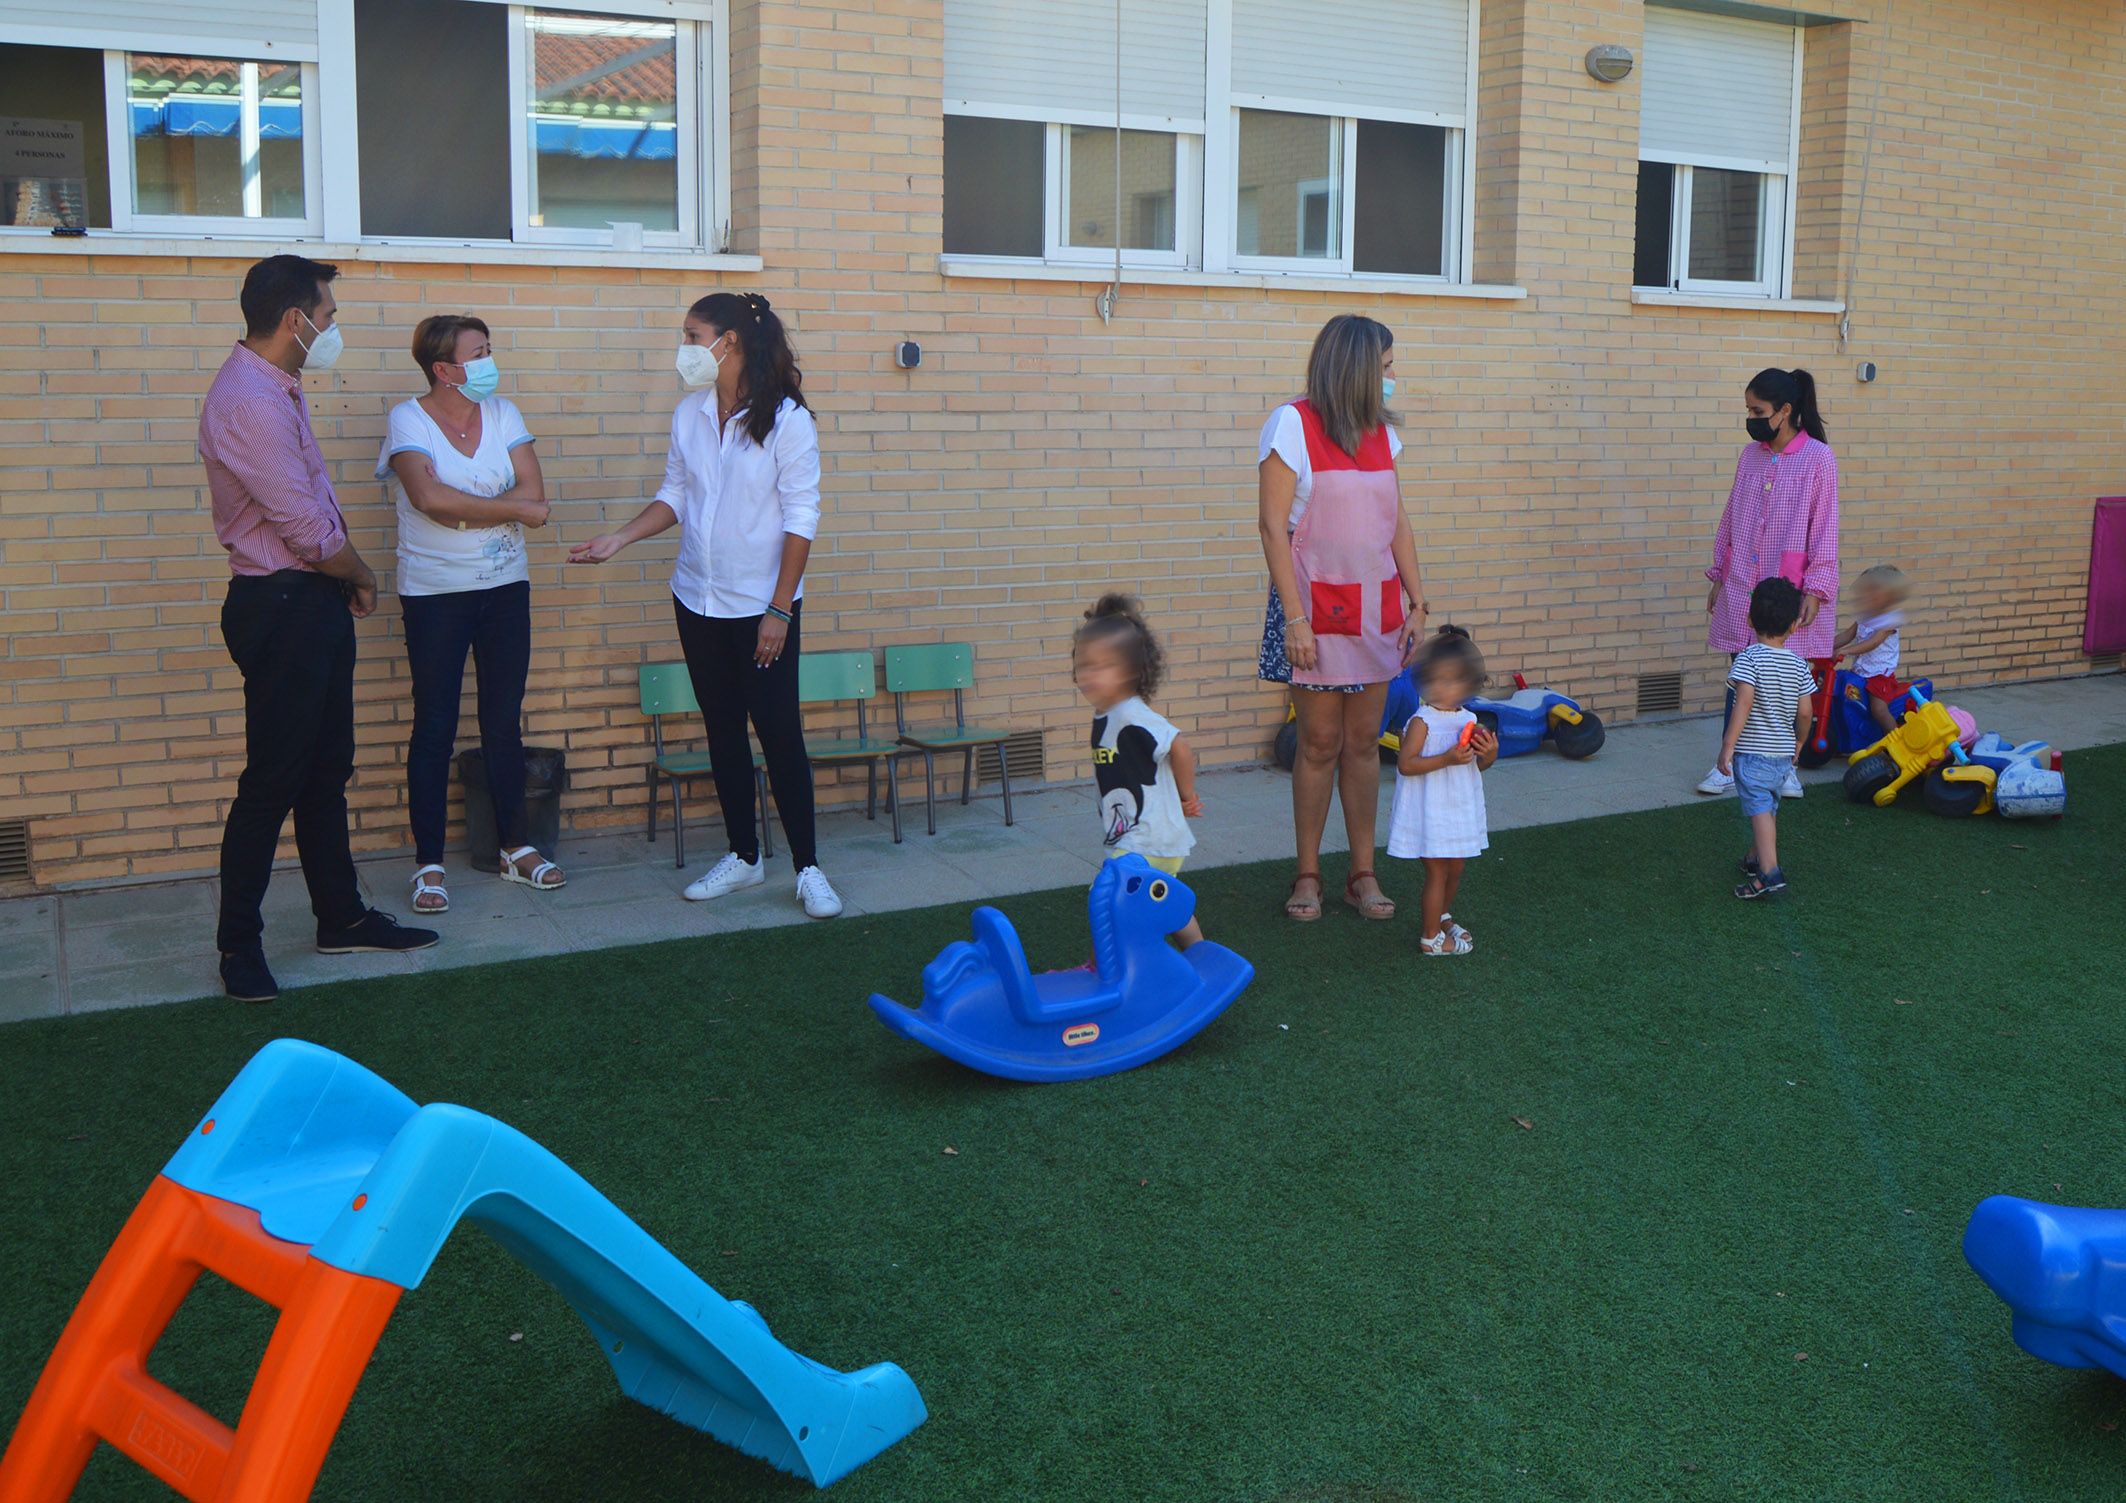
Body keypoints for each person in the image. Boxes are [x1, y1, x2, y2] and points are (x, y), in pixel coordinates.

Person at [200, 254, 438, 1002]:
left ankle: (340, 916)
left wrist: (340, 583)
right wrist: (361, 574)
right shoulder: (249, 400)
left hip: (310, 602)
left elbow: (310, 506)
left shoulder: (277, 386)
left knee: (324, 768)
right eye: (327, 316)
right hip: (282, 604)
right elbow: (302, 523)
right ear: (294, 319)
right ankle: (239, 946)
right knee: (273, 778)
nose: (332, 328)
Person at [569, 291, 843, 919]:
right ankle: (744, 857)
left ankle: (807, 867)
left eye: (694, 336)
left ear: (731, 342)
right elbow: (676, 494)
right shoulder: (690, 414)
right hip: (697, 599)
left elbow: (803, 517)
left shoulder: (788, 421)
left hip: (761, 609)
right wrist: (621, 537)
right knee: (722, 731)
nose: (686, 348)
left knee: (778, 735)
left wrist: (779, 611)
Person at [379, 313, 562, 914]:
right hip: (434, 595)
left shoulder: (505, 414)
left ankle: (516, 847)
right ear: (443, 369)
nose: (488, 361)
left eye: (488, 350)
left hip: (506, 590)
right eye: (476, 353)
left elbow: (538, 500)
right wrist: (504, 508)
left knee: (502, 722)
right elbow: (426, 499)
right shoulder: (408, 418)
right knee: (434, 727)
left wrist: (470, 510)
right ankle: (428, 865)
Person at [1257, 314, 1428, 924]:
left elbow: (1397, 521)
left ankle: (1362, 873)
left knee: (1362, 743)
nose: (1390, 377)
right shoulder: (1291, 425)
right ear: (1355, 367)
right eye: (1384, 367)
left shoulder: (1384, 435)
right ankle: (1308, 876)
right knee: (1319, 743)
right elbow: (1272, 529)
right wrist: (1295, 621)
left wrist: (1418, 600)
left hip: (1379, 606)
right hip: (1314, 610)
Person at [1698, 366, 1838, 799]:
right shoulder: (1750, 456)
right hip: (1744, 583)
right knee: (1744, 675)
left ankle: (1786, 767)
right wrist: (1720, 575)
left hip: (1788, 589)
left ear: (1785, 410)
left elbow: (1826, 526)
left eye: (1758, 410)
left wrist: (1816, 587)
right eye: (1748, 410)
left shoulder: (1818, 459)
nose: (1752, 417)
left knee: (1788, 681)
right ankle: (1727, 765)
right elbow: (1732, 515)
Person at [1074, 595, 1204, 948]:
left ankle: (1119, 971)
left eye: (1102, 666)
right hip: (1146, 838)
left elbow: (1179, 746)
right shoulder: (1109, 713)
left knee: (1110, 898)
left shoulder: (1131, 713)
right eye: (1083, 664)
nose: (1088, 674)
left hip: (1147, 839)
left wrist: (1186, 795)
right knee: (1158, 904)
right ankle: (1199, 953)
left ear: (1131, 671)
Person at [1387, 626, 1498, 957]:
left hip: (1457, 807)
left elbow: (1474, 768)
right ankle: (1430, 937)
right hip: (1430, 810)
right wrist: (1447, 757)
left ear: (1467, 684)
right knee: (1437, 870)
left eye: (1449, 681)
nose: (1440, 688)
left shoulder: (1469, 718)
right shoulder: (1423, 722)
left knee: (1456, 867)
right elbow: (1406, 765)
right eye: (1434, 679)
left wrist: (1488, 754)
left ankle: (1442, 915)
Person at [1718, 578, 1816, 900]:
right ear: (1793, 625)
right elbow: (1805, 713)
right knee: (1768, 807)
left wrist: (1728, 746)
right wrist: (1800, 742)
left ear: (1749, 619)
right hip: (1782, 756)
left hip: (1753, 753)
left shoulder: (1748, 659)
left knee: (1760, 807)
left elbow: (1742, 704)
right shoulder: (1800, 665)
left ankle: (1770, 872)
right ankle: (1754, 857)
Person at [1832, 565, 1911, 736]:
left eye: (1871, 592)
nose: (1865, 596)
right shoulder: (1865, 617)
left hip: (1879, 675)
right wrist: (1826, 647)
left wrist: (1846, 651)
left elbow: (1874, 642)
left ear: (1888, 596)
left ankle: (1896, 741)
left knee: (1878, 709)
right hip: (1861, 671)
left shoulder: (1890, 619)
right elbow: (1847, 635)